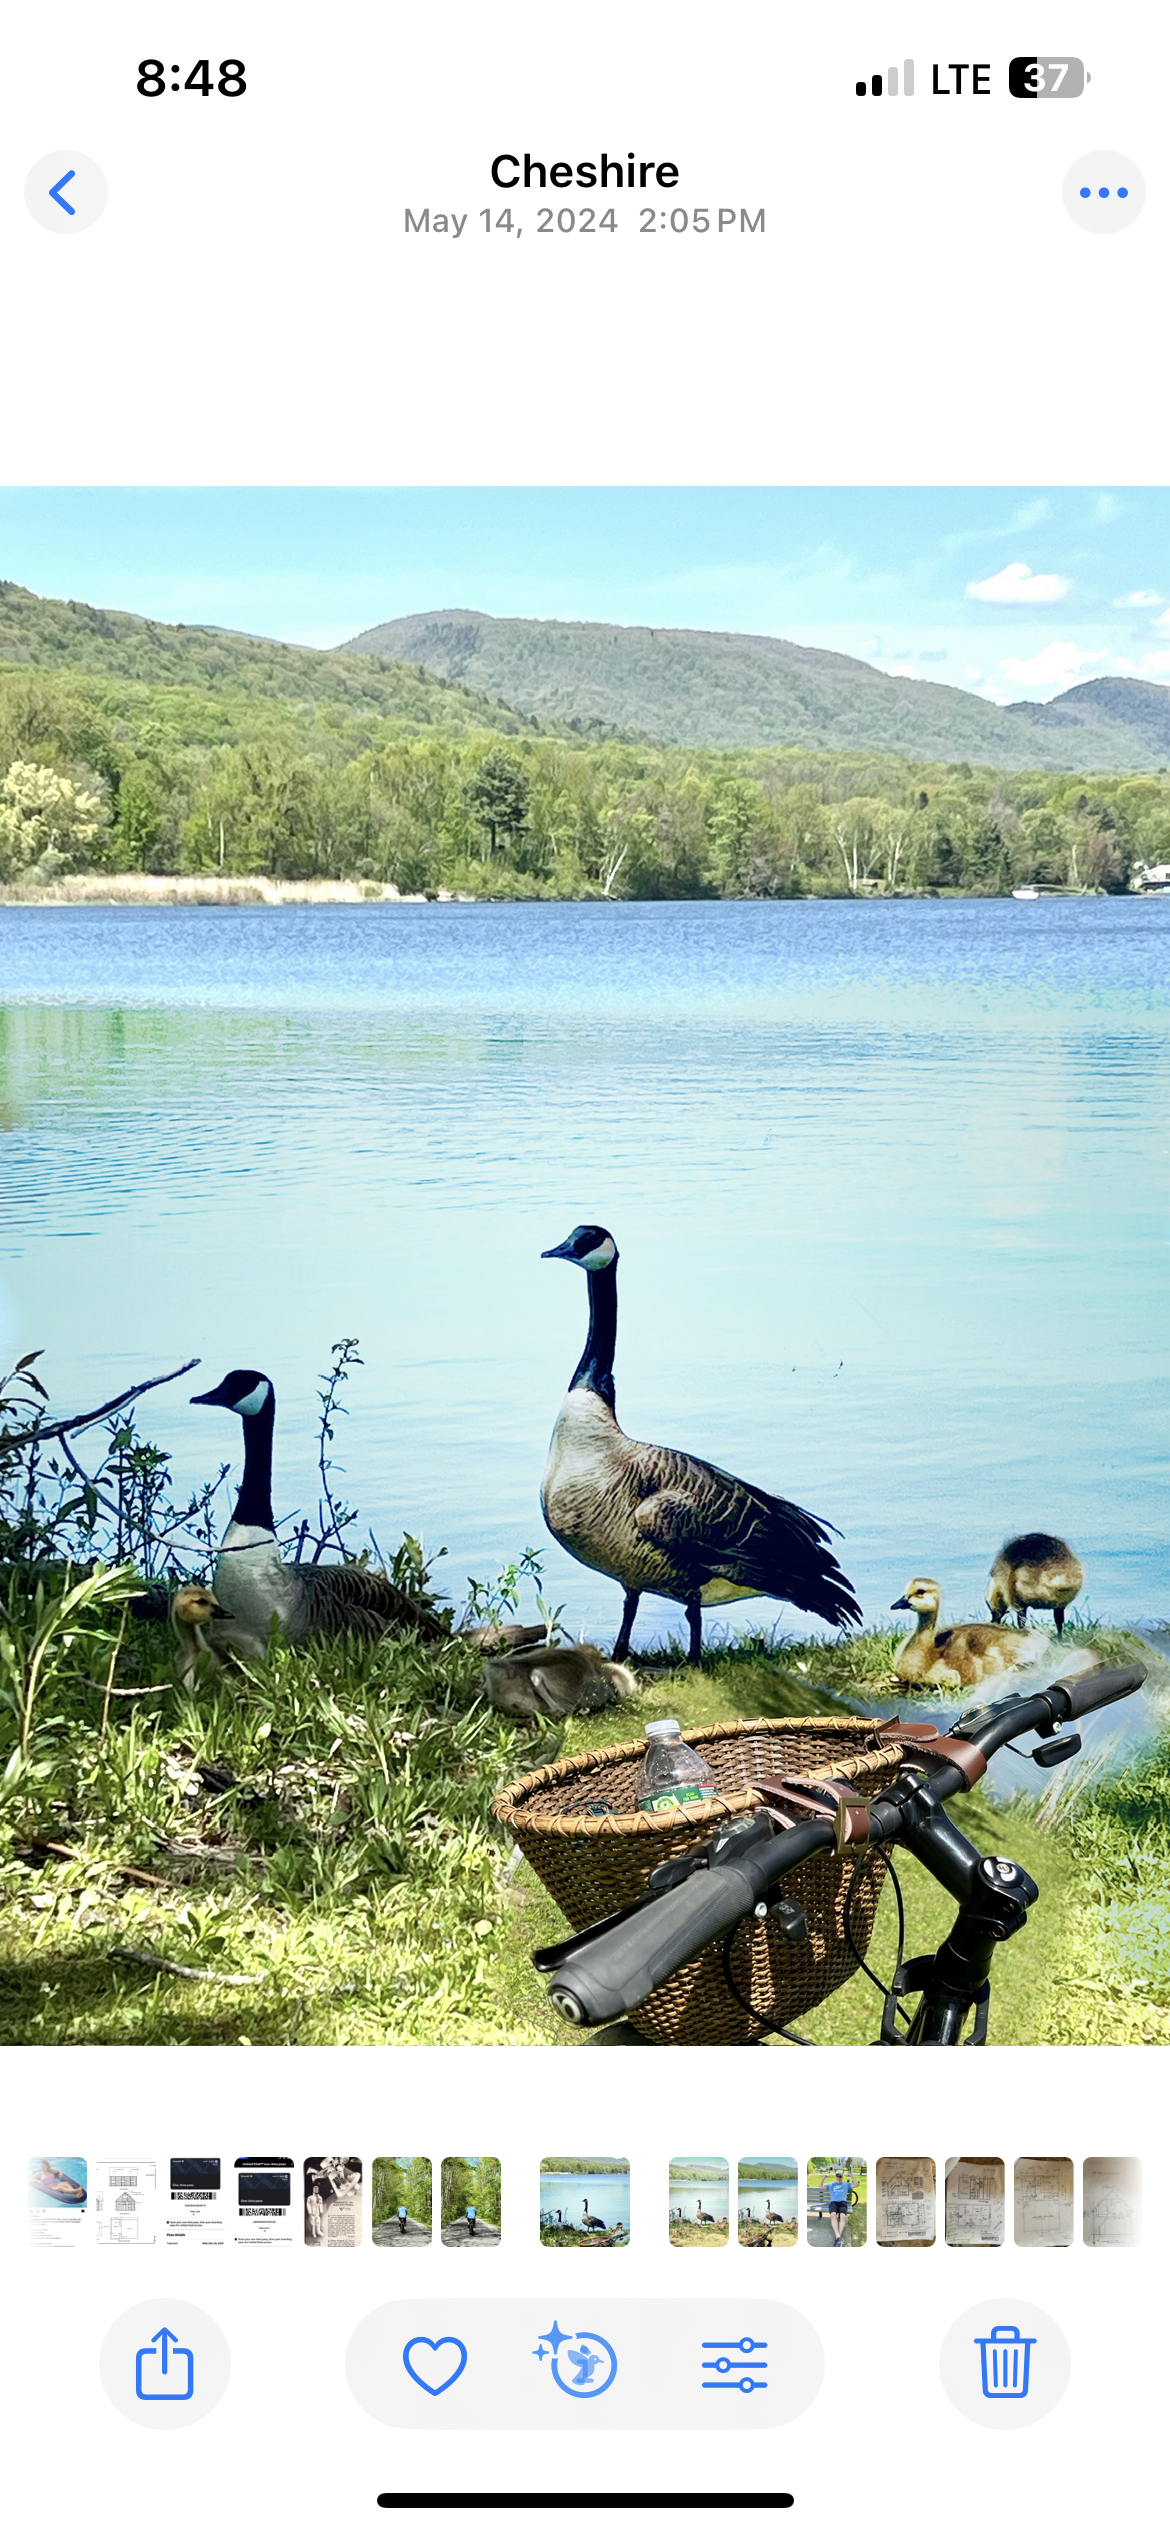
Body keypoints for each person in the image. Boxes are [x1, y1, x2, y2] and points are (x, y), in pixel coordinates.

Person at [828, 2167, 852, 2247]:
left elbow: (857, 2184)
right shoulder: (831, 2184)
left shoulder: (846, 2184)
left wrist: (851, 2176)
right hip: (834, 2203)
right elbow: (820, 2186)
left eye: (840, 2176)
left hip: (842, 2203)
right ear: (835, 2177)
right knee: (832, 2215)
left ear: (842, 2177)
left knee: (842, 2216)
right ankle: (838, 2238)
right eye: (837, 2176)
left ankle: (838, 2237)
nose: (838, 2178)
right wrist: (824, 2177)